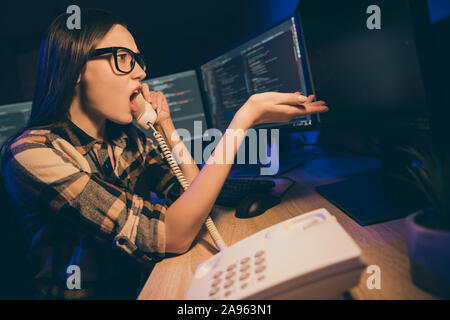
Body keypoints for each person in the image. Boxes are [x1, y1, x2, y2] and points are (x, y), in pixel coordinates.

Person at [0, 9, 328, 299]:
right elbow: (173, 234)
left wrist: (167, 127)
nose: (140, 73)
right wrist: (241, 123)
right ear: (75, 69)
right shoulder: (31, 154)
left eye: (138, 60)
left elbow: (197, 200)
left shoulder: (127, 140)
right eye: (123, 58)